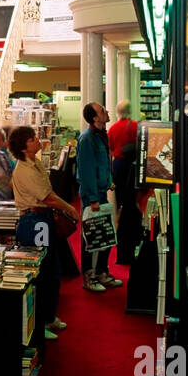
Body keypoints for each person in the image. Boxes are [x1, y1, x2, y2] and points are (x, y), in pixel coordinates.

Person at [9, 125, 79, 341]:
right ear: (23, 147)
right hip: (34, 221)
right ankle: (38, 323)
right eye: (32, 139)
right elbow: (47, 196)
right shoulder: (24, 169)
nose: (37, 140)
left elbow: (49, 193)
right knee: (41, 271)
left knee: (52, 269)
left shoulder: (35, 163)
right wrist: (69, 208)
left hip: (43, 219)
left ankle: (48, 316)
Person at [77, 102, 120, 291]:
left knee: (106, 235)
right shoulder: (87, 139)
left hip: (101, 192)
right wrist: (93, 198)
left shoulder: (101, 136)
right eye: (102, 110)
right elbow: (86, 170)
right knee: (91, 236)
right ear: (95, 118)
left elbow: (104, 163)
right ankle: (89, 277)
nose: (107, 111)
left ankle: (102, 272)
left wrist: (108, 180)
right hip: (92, 196)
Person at [108, 99, 143, 259]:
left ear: (117, 112)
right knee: (132, 199)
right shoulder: (135, 126)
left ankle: (120, 227)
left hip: (118, 165)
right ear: (130, 111)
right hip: (132, 166)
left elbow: (110, 151)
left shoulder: (113, 128)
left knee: (120, 199)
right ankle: (133, 230)